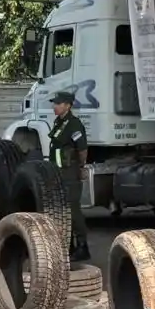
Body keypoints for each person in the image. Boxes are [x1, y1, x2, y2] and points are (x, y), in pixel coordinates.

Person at [47, 91, 90, 262]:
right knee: (62, 210)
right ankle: (69, 245)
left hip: (70, 171)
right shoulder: (59, 122)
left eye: (58, 103)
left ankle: (82, 246)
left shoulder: (74, 124)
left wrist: (80, 167)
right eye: (54, 103)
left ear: (68, 105)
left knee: (73, 209)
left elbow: (82, 149)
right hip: (58, 172)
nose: (55, 106)